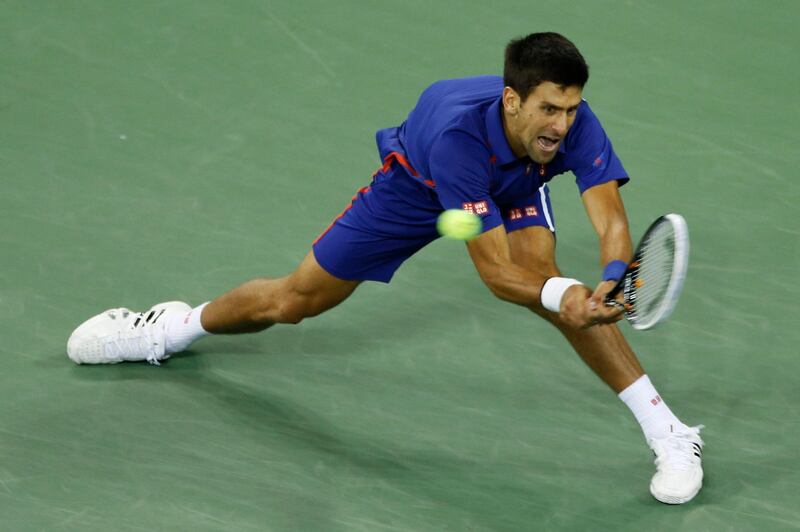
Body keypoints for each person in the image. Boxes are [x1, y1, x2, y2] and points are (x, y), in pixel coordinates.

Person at [67, 32, 704, 504]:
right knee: (294, 302)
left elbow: (610, 217)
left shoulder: (571, 126)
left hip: (510, 184)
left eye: (571, 110)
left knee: (558, 296)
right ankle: (169, 328)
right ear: (513, 100)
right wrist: (564, 293)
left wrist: (615, 270)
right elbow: (494, 275)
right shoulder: (457, 140)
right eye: (549, 111)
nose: (563, 126)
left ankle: (671, 433)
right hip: (421, 185)